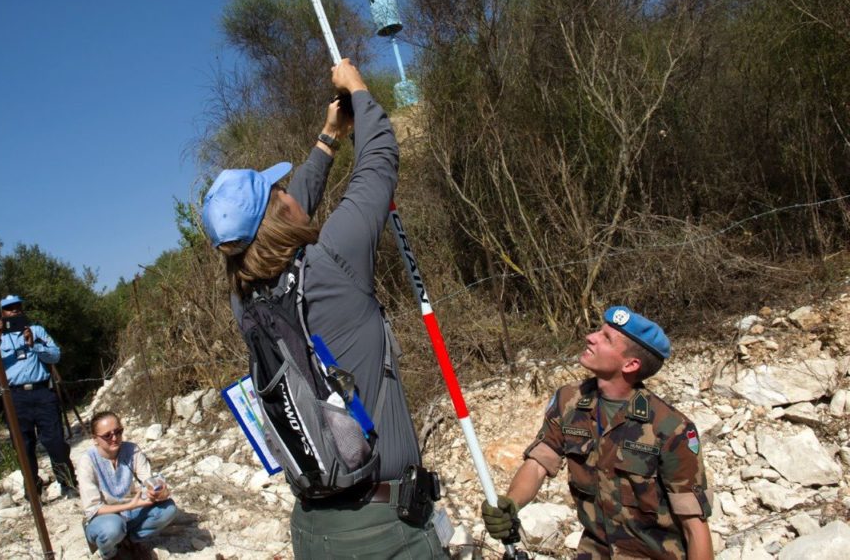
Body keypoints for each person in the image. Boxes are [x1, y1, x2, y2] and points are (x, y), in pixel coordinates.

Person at [202, 59, 446, 558]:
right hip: (384, 532)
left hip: (314, 532)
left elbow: (289, 213)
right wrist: (356, 86)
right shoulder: (333, 262)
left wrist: (328, 139)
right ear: (277, 212)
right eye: (279, 193)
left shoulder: (244, 300)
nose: (290, 195)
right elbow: (379, 161)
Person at [481, 306, 713, 559]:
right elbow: (538, 462)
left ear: (631, 363)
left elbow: (694, 527)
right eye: (598, 331)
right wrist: (511, 504)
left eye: (606, 338)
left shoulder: (671, 428)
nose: (590, 337)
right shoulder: (569, 401)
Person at [0, 294, 78, 497]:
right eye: (9, 308)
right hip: (15, 398)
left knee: (55, 441)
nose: (14, 311)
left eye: (17, 307)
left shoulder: (36, 331)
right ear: (2, 313)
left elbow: (55, 355)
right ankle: (33, 488)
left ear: (22, 309)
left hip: (42, 393)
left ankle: (68, 483)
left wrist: (34, 344)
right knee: (23, 446)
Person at [77, 411, 177, 559]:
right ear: (95, 439)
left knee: (168, 509)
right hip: (105, 517)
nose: (114, 438)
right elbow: (93, 508)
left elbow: (148, 479)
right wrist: (131, 505)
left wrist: (158, 490)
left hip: (131, 510)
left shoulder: (131, 450)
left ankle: (132, 540)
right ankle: (109, 553)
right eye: (107, 435)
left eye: (118, 432)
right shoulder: (87, 461)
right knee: (112, 528)